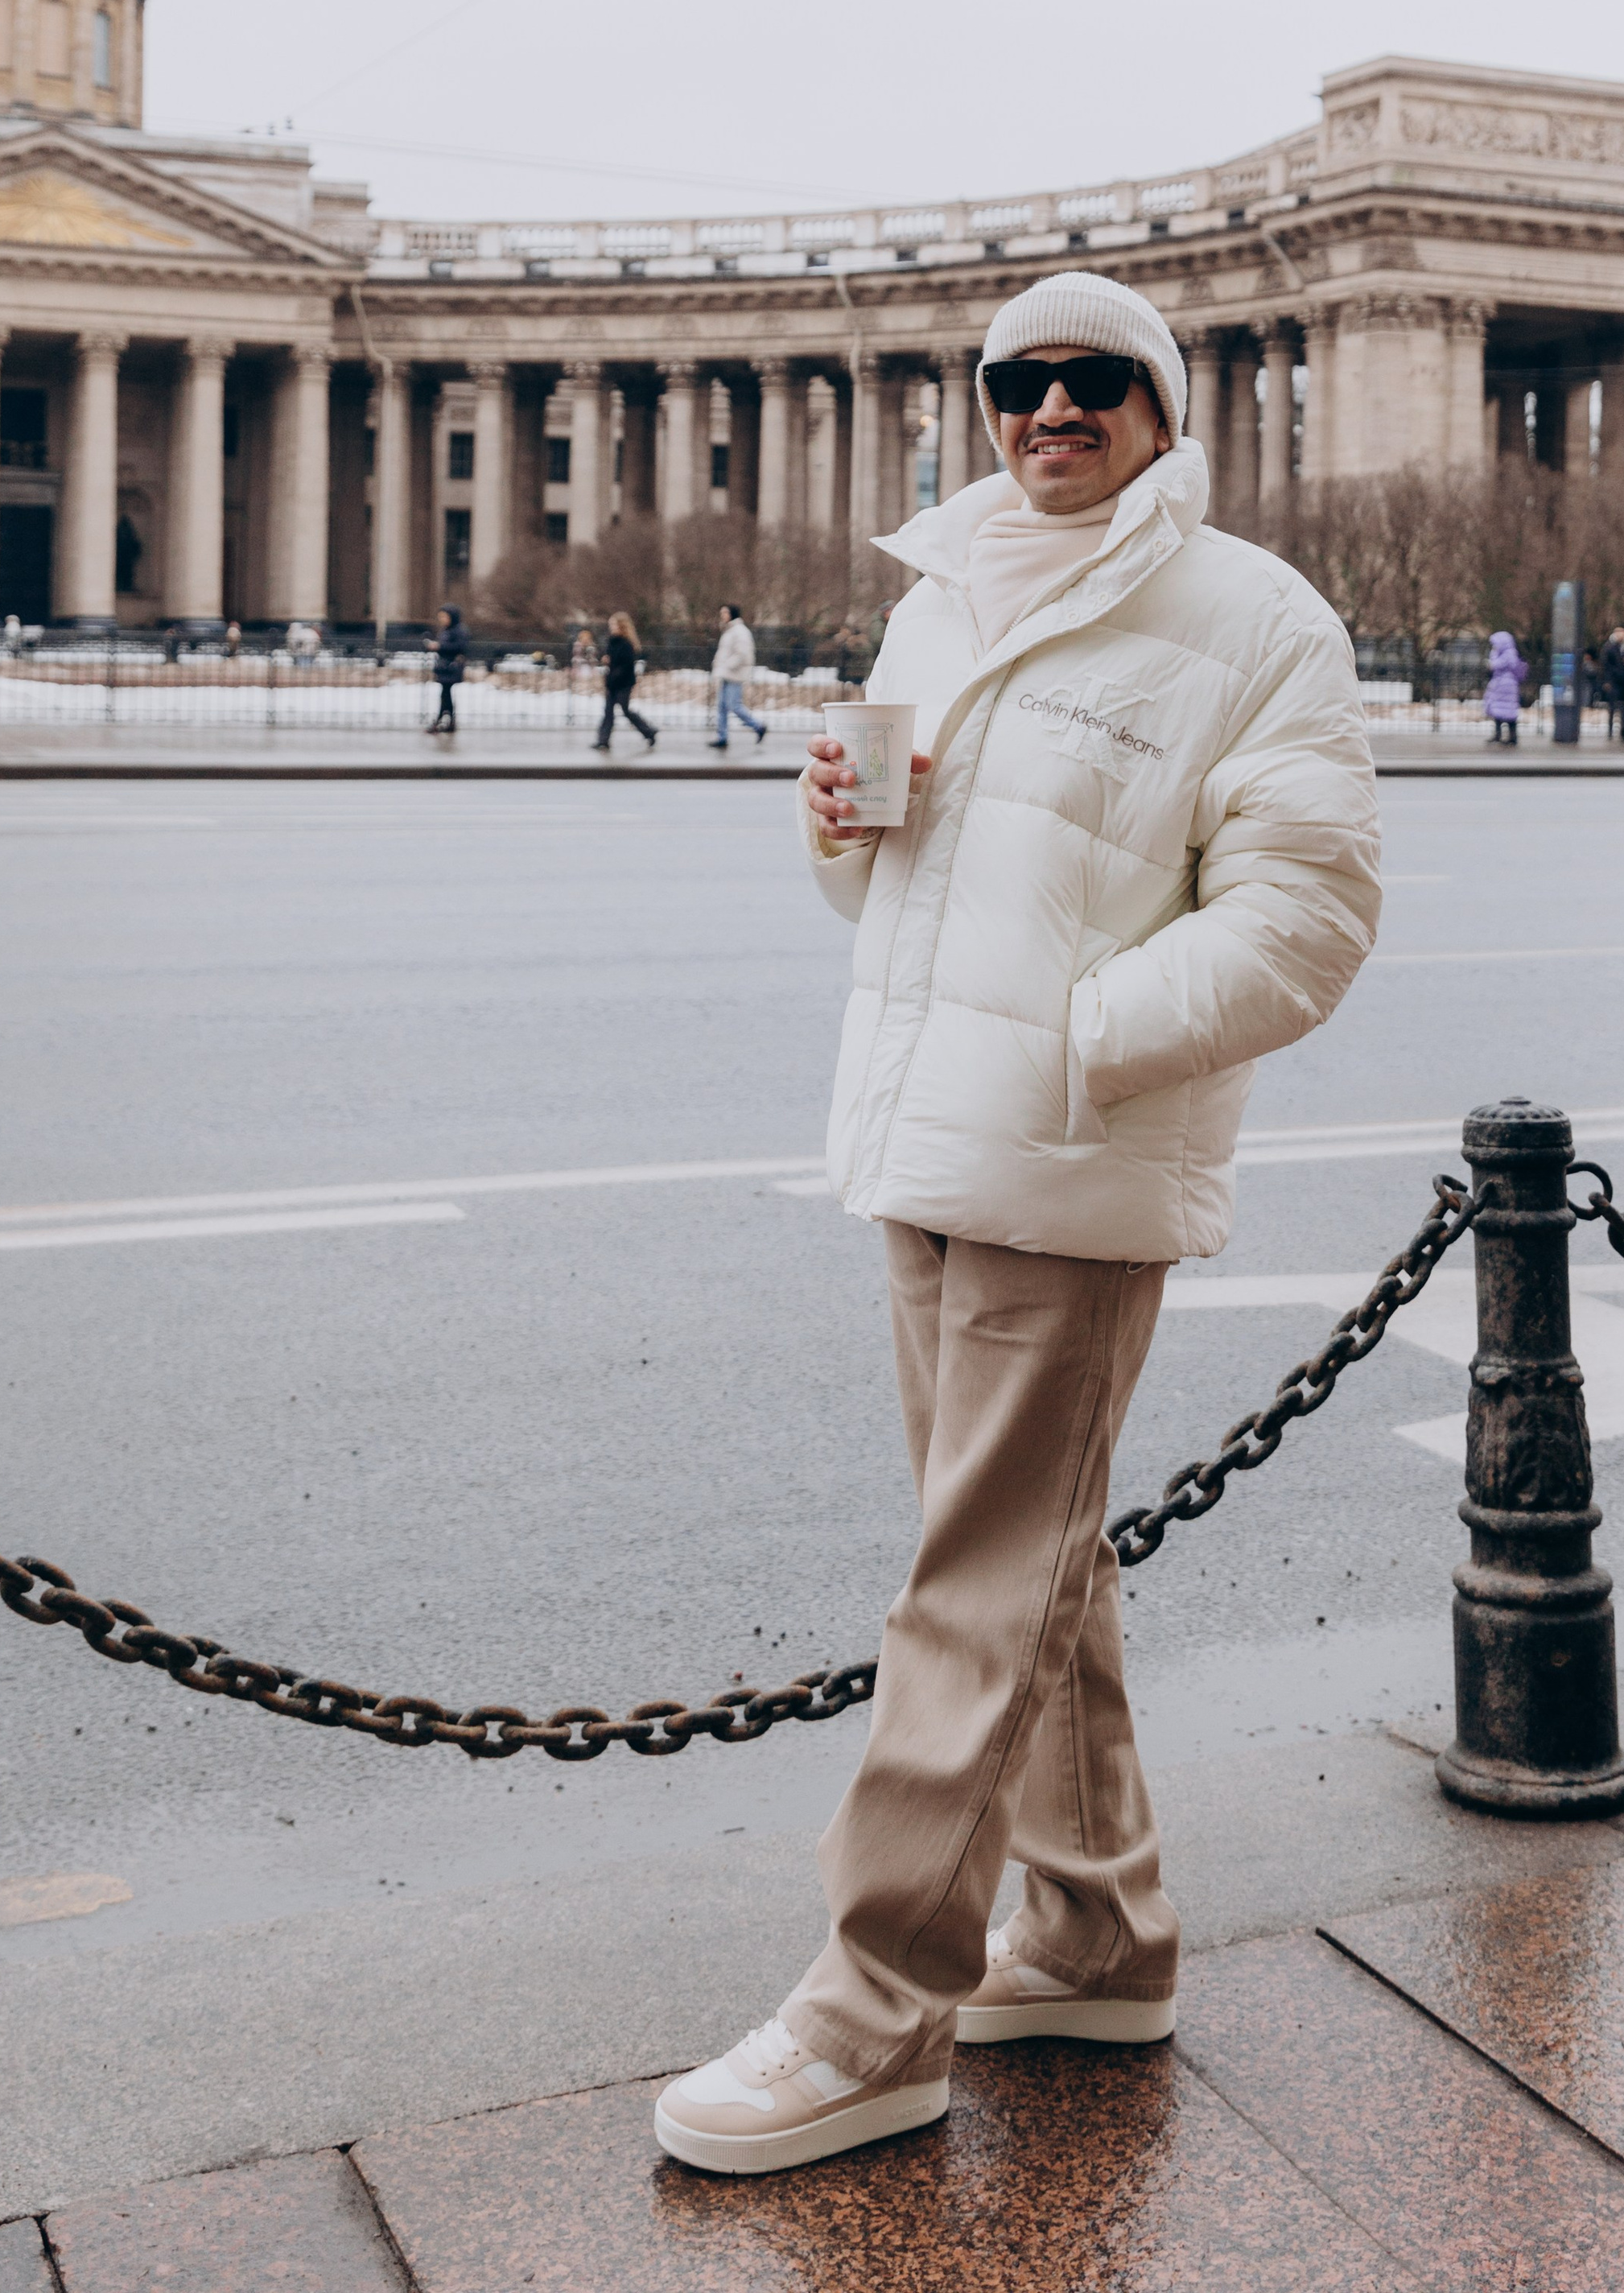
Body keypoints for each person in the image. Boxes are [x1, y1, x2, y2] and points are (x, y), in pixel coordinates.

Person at [653, 270, 1380, 2179]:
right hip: (916, 1147)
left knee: (967, 1586)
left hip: (1064, 1159)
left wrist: (1079, 1048)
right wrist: (838, 824)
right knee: (1024, 1561)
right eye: (1016, 384)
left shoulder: (1249, 617)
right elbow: (899, 897)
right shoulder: (943, 588)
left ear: (1156, 405)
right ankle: (1091, 1923)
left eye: (1090, 382)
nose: (1048, 411)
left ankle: (874, 2006)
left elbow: (1304, 921)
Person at [595, 608, 657, 750]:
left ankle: (649, 731)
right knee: (608, 711)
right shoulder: (613, 641)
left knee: (625, 710)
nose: (611, 628)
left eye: (613, 625)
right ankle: (603, 740)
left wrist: (613, 668)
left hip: (622, 683)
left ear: (621, 626)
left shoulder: (626, 644)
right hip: (613, 682)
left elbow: (625, 664)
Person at [708, 604, 767, 753]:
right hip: (727, 674)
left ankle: (758, 726)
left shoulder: (739, 631)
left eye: (725, 612)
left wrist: (726, 666)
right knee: (722, 706)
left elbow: (743, 654)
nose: (723, 615)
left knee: (734, 705)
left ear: (732, 613)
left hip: (734, 675)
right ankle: (722, 737)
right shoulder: (730, 630)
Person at [428, 604, 469, 733]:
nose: (442, 619)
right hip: (445, 667)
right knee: (445, 694)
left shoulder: (458, 630)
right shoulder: (446, 630)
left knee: (445, 694)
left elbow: (460, 647)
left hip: (452, 667)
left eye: (444, 616)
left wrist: (439, 647)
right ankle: (447, 720)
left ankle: (443, 720)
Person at [1482, 629, 1525, 747]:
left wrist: (1492, 661)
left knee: (1508, 712)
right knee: (1499, 711)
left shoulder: (1509, 653)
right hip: (1501, 685)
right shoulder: (1504, 653)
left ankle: (1511, 735)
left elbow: (1497, 664)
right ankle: (1501, 734)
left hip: (1505, 686)